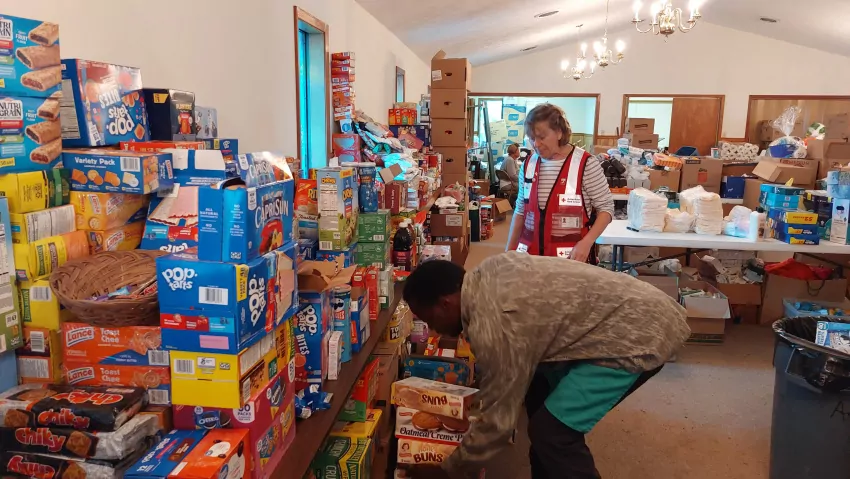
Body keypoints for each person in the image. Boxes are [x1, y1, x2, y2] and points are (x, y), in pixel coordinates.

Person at [403, 254, 690, 479]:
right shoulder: (489, 270)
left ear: (445, 304)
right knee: (537, 391)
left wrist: (447, 471)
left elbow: (498, 424)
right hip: (638, 307)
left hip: (637, 337)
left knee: (552, 434)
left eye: (429, 319)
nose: (433, 330)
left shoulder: (494, 328)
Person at [507, 104, 614, 263]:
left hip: (570, 260)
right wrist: (508, 252)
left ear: (559, 132)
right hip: (530, 259)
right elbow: (520, 211)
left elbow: (606, 209)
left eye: (541, 137)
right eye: (531, 138)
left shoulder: (586, 164)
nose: (536, 144)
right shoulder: (528, 164)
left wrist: (587, 242)